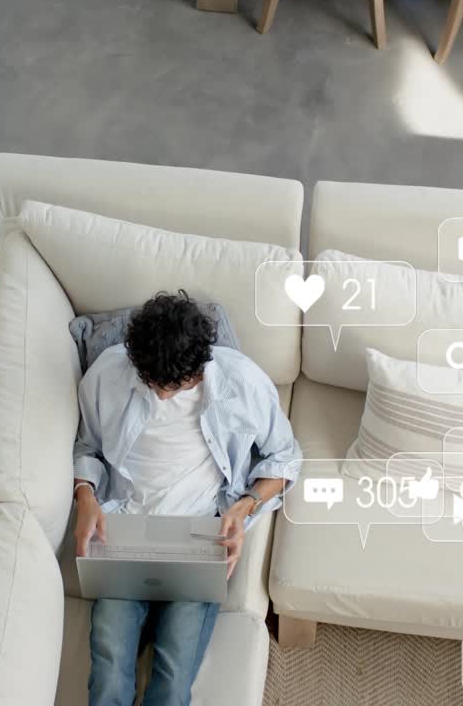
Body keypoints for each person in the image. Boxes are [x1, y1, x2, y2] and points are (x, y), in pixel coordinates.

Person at [72, 290, 301, 706]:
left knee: (173, 679)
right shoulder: (107, 376)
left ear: (199, 369)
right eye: (151, 382)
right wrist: (85, 495)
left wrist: (246, 503)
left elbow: (286, 458)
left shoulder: (241, 383)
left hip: (200, 537)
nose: (160, 395)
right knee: (107, 667)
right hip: (124, 528)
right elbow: (87, 447)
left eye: (173, 386)